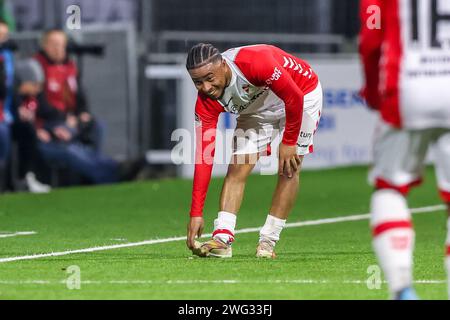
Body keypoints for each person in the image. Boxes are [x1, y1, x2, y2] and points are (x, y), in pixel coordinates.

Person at [185, 43, 322, 259]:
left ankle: (268, 241)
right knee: (238, 167)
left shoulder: (254, 63)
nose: (206, 88)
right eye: (198, 82)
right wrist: (196, 213)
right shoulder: (206, 102)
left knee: (289, 168)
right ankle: (222, 238)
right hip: (257, 110)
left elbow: (294, 97)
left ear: (223, 65)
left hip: (302, 95)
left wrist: (288, 141)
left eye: (210, 78)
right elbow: (204, 156)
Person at [359, 0, 450, 299]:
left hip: (407, 92)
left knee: (390, 186)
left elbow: (371, 41)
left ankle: (402, 288)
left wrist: (373, 92)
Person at [34, 29, 102, 152]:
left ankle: (93, 166)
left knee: (96, 126)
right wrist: (65, 117)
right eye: (54, 44)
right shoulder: (37, 67)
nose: (58, 48)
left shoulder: (70, 66)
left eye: (62, 44)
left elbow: (80, 94)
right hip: (50, 121)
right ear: (44, 46)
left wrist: (83, 112)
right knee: (67, 135)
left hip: (71, 118)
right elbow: (40, 103)